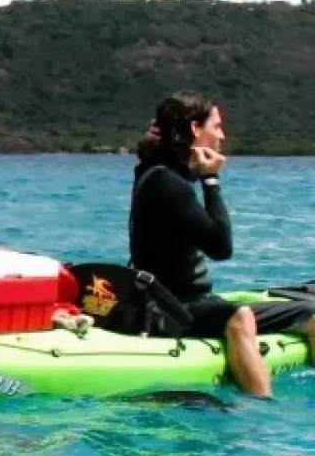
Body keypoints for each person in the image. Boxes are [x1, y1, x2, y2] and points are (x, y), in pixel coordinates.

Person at [129, 92, 315, 398]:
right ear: (194, 130)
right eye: (216, 126)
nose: (222, 135)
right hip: (175, 306)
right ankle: (262, 403)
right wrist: (211, 180)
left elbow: (161, 165)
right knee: (240, 316)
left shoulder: (158, 173)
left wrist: (160, 148)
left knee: (310, 309)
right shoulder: (167, 183)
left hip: (184, 299)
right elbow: (220, 247)